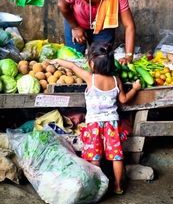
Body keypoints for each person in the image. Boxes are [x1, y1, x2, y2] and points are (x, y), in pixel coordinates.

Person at [51, 42, 141, 194]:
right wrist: (135, 88)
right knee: (116, 156)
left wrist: (56, 61)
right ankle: (118, 187)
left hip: (93, 124)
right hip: (112, 123)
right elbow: (124, 100)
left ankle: (98, 188)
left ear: (92, 63)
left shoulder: (90, 78)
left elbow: (72, 66)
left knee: (95, 157)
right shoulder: (115, 79)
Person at [58, 0, 136, 64]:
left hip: (103, 28)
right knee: (75, 59)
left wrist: (129, 56)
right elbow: (62, 5)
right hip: (75, 22)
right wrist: (75, 27)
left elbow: (129, 25)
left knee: (102, 61)